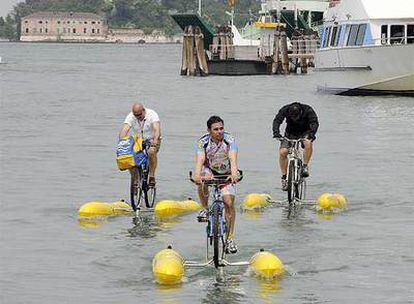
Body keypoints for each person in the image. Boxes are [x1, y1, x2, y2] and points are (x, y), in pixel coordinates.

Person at [194, 116, 240, 254]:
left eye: (221, 128)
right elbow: (200, 159)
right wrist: (197, 174)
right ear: (209, 130)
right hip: (210, 170)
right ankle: (204, 208)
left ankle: (230, 239)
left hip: (226, 172)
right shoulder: (203, 142)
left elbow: (233, 158)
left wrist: (234, 174)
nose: (219, 132)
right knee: (202, 179)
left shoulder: (229, 140)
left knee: (228, 203)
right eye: (216, 129)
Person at [272, 102, 319, 191]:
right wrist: (276, 133)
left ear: (301, 113)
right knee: (283, 152)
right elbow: (277, 120)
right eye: (292, 117)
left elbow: (314, 123)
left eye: (296, 117)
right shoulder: (285, 109)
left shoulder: (308, 110)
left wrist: (312, 134)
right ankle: (284, 177)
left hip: (305, 133)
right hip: (290, 134)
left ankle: (305, 166)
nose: (294, 119)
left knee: (308, 143)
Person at [119, 103, 161, 187]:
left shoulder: (152, 114)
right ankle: (135, 178)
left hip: (151, 139)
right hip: (138, 141)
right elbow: (124, 130)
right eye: (136, 115)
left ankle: (152, 176)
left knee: (151, 152)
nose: (137, 117)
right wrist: (122, 143)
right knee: (128, 156)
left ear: (143, 110)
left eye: (139, 115)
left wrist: (155, 141)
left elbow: (157, 129)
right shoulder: (131, 116)